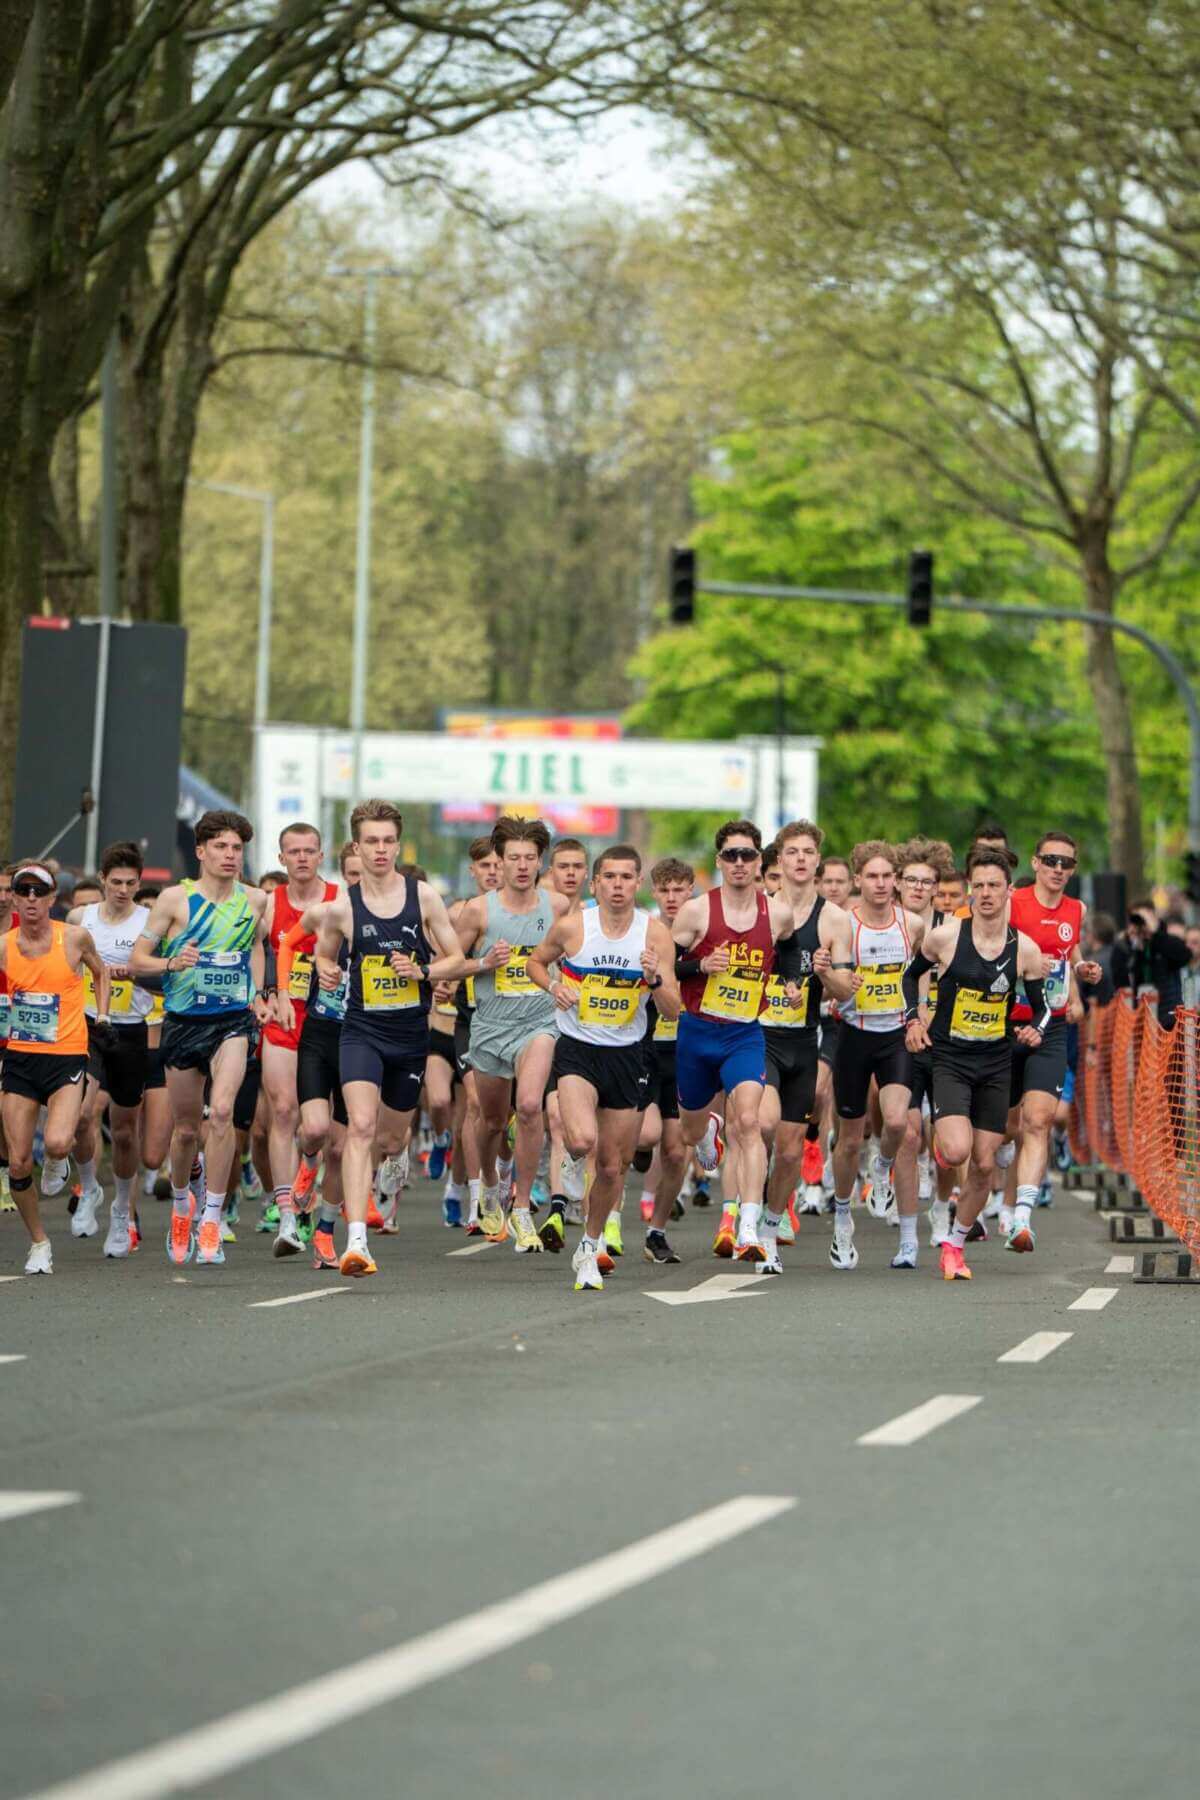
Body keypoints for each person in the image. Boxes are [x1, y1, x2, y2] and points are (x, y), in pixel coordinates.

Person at [313, 799, 465, 1277]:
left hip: (408, 1036)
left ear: (398, 844)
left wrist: (421, 969)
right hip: (361, 1030)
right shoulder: (342, 907)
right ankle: (355, 1240)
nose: (380, 850)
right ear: (356, 847)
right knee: (358, 1126)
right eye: (371, 841)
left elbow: (455, 958)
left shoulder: (423, 898)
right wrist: (329, 972)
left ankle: (390, 1168)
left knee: (392, 1136)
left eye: (387, 841)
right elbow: (322, 956)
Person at [528, 845, 680, 1292]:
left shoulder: (655, 937)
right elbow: (536, 962)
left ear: (638, 884)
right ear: (596, 884)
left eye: (626, 877)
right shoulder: (574, 927)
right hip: (578, 1046)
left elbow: (673, 1010)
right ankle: (573, 1160)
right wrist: (554, 985)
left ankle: (589, 1246)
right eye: (609, 877)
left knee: (614, 1168)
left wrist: (654, 979)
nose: (617, 885)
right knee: (581, 1138)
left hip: (629, 1054)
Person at [902, 848, 1050, 1280]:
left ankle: (955, 1243)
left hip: (996, 1063)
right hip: (950, 1059)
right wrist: (914, 1018)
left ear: (1009, 891)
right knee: (956, 1150)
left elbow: (1043, 1007)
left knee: (985, 1165)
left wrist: (1035, 1030)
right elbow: (911, 977)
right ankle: (943, 1145)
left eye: (995, 886)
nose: (986, 893)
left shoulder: (1025, 949)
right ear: (970, 889)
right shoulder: (945, 937)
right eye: (979, 885)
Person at [132, 810, 270, 1269]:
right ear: (201, 851)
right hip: (183, 1021)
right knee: (187, 1127)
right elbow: (138, 959)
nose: (230, 856)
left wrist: (259, 993)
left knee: (224, 1111)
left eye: (237, 849)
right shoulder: (174, 900)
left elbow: (255, 946)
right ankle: (180, 1206)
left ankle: (211, 1217)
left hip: (232, 1020)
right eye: (221, 848)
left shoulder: (255, 901)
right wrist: (173, 963)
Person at [670, 819, 794, 1259]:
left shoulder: (776, 912)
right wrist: (700, 967)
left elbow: (789, 951)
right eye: (730, 856)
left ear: (760, 861)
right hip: (698, 1032)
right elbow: (666, 967)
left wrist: (793, 980)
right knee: (689, 1130)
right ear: (719, 861)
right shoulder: (697, 912)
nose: (739, 863)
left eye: (747, 855)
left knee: (751, 1121)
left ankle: (749, 1223)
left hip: (744, 1034)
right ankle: (707, 1132)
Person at [448, 816, 568, 1249]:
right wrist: (483, 964)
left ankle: (521, 1208)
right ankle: (489, 1180)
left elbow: (573, 951)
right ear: (498, 860)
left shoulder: (557, 906)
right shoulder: (478, 911)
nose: (521, 866)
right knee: (493, 1119)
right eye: (513, 858)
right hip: (490, 1026)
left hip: (539, 1021)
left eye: (530, 858)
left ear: (540, 862)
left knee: (532, 1106)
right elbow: (450, 963)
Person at [1, 862, 112, 1273]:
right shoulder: (4, 945)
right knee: (15, 1162)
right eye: (22, 891)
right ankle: (39, 1242)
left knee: (59, 1142)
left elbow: (100, 973)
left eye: (39, 891)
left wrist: (102, 1017)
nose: (31, 898)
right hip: (20, 1056)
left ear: (52, 899)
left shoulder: (74, 938)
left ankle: (58, 1161)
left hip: (66, 1053)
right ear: (13, 897)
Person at [757, 820, 856, 1273]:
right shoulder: (758, 910)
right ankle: (747, 1209)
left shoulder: (834, 920)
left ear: (818, 861)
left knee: (792, 1149)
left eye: (807, 852)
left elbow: (846, 991)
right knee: (761, 1123)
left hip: (801, 1038)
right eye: (791, 852)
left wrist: (822, 975)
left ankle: (770, 1227)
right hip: (757, 1036)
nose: (800, 859)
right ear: (779, 861)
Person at [828, 840, 928, 1272]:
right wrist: (834, 982)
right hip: (852, 1034)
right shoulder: (843, 925)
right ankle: (842, 1216)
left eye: (889, 876)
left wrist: (918, 1017)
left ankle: (882, 1166)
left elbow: (921, 976)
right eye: (873, 876)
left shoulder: (914, 924)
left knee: (896, 1122)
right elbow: (829, 980)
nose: (882, 883)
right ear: (858, 881)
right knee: (849, 1139)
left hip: (894, 1037)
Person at [1005, 831, 1102, 1250]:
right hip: (1002, 1023)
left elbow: (1069, 947)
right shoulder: (1012, 903)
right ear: (1036, 862)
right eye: (1052, 861)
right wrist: (1026, 961)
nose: (1059, 869)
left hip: (1051, 1025)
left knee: (1038, 1120)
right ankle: (985, 1199)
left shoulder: (1076, 909)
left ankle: (1022, 1217)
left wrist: (1082, 969)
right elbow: (984, 948)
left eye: (1068, 864)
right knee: (1001, 1129)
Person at [66, 841, 156, 1255]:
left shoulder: (149, 922)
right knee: (81, 1115)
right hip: (84, 1024)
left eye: (131, 883)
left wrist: (135, 974)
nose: (123, 890)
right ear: (102, 880)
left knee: (123, 1132)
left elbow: (163, 981)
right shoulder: (79, 920)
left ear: (139, 883)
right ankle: (88, 1188)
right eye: (116, 882)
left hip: (130, 1029)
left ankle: (121, 1209)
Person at [260, 822, 339, 1256]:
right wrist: (267, 994)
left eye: (310, 850)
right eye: (295, 851)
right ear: (282, 858)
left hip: (328, 1022)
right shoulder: (270, 906)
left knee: (317, 1128)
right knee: (283, 1111)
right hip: (284, 1021)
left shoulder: (339, 901)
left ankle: (309, 1164)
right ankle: (287, 1216)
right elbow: (257, 953)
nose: (303, 858)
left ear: (321, 856)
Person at [1113, 899, 1193, 1026]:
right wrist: (1130, 942)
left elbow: (1185, 956)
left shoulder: (1165, 941)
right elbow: (1119, 980)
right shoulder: (1128, 946)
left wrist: (1155, 932)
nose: (1140, 923)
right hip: (1140, 1018)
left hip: (1168, 1019)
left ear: (1153, 916)